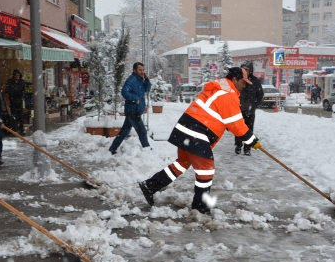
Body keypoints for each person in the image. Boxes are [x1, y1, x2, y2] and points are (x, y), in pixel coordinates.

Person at [138, 67, 261, 214]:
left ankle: (150, 185)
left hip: (186, 128)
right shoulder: (228, 94)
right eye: (243, 82)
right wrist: (252, 140)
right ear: (234, 79)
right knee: (206, 169)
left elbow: (220, 116)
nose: (245, 85)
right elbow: (236, 124)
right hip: (197, 132)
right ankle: (200, 205)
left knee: (182, 163)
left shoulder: (219, 89)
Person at [108, 62, 151, 155]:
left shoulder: (141, 80)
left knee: (124, 131)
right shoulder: (131, 80)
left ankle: (112, 148)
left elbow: (147, 90)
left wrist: (147, 80)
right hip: (133, 110)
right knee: (142, 131)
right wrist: (135, 99)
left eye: (143, 70)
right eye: (140, 70)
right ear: (134, 70)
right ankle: (147, 151)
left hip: (135, 110)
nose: (142, 72)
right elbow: (124, 92)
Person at [234, 61, 263, 156]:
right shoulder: (237, 79)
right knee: (238, 129)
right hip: (238, 109)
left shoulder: (256, 81)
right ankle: (238, 146)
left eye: (247, 69)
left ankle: (247, 148)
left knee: (249, 130)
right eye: (243, 69)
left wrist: (254, 105)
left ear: (250, 71)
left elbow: (260, 95)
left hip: (250, 111)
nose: (245, 71)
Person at [5, 69, 26, 135]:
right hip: (13, 99)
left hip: (18, 100)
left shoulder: (21, 82)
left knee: (20, 114)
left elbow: (23, 91)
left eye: (18, 75)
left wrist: (21, 96)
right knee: (14, 114)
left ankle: (21, 128)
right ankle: (15, 128)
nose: (17, 76)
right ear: (14, 76)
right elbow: (7, 91)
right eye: (16, 75)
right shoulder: (10, 82)